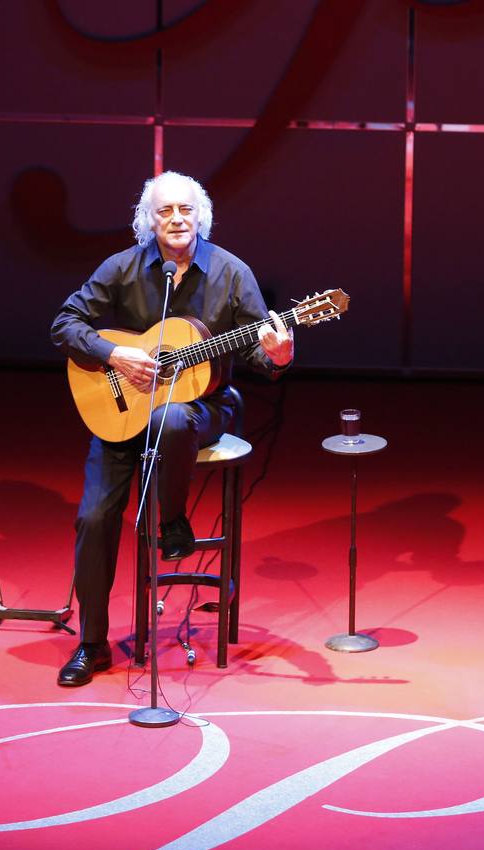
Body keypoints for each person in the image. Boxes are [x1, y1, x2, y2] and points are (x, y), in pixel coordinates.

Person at [49, 171, 294, 686]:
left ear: (200, 215)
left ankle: (172, 522)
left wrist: (279, 353)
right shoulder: (122, 268)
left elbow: (258, 350)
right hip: (122, 411)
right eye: (165, 211)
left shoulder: (231, 272)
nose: (177, 219)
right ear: (149, 220)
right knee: (94, 518)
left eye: (186, 209)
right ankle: (91, 644)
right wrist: (115, 352)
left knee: (173, 414)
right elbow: (65, 325)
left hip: (205, 408)